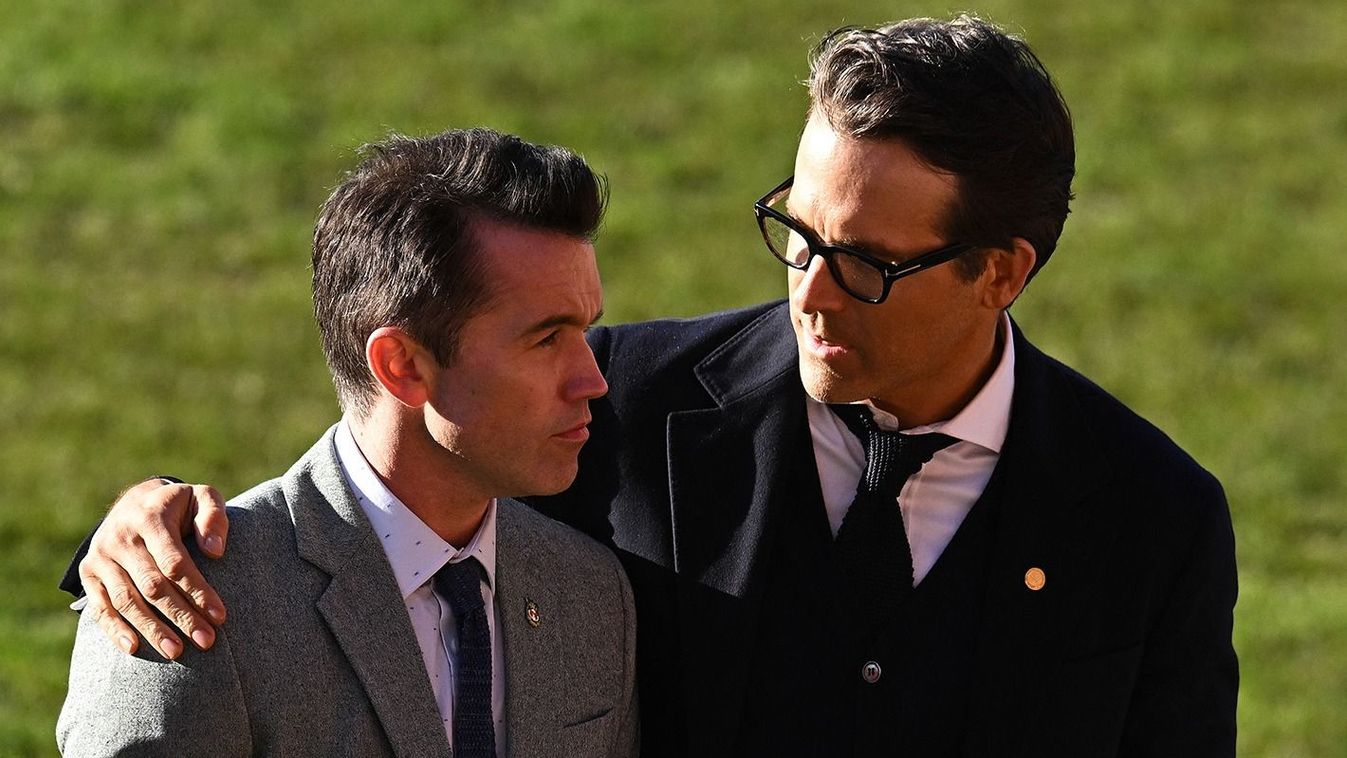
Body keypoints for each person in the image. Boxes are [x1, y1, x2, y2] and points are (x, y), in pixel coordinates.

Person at [62, 15, 1236, 758]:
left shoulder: (1151, 517)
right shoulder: (618, 402)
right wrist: (146, 517)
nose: (811, 292)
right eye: (798, 230)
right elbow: (384, 484)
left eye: (869, 264)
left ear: (1000, 272)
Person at [57, 128, 638, 757]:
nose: (594, 379)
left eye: (585, 330)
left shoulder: (591, 595)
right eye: (547, 339)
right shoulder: (179, 599)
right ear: (403, 366)